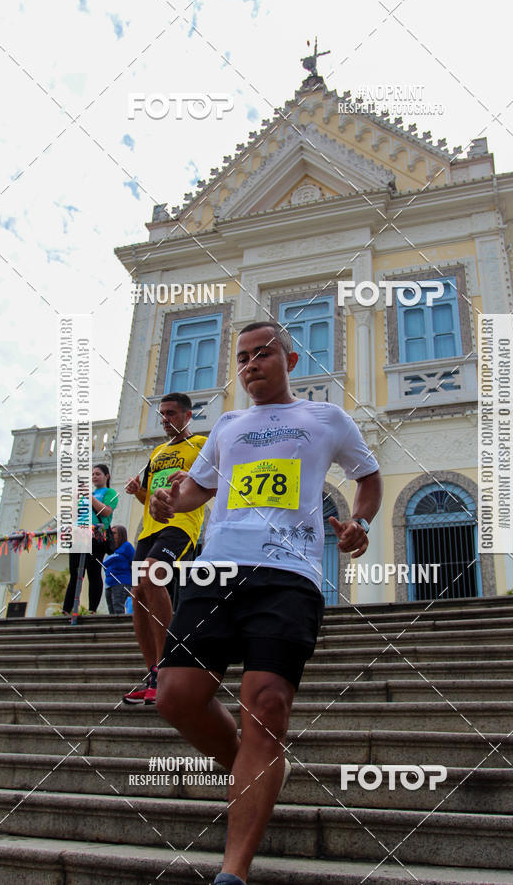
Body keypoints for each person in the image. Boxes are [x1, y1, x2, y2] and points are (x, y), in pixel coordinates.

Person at [150, 322, 383, 885]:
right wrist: (164, 501)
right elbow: (193, 491)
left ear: (289, 358)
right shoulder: (227, 425)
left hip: (289, 575)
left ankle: (233, 872)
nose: (251, 364)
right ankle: (254, 773)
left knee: (268, 705)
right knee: (176, 697)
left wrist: (360, 522)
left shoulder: (327, 419)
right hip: (215, 571)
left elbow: (368, 478)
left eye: (263, 354)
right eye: (243, 358)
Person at [123, 392, 207, 705]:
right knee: (138, 592)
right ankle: (154, 672)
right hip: (150, 529)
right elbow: (150, 497)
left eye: (171, 413)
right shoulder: (157, 451)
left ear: (187, 416)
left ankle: (171, 665)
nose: (165, 419)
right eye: (162, 414)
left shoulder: (199, 445)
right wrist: (138, 492)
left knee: (151, 577)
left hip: (181, 525)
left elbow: (212, 482)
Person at [62, 464, 118, 615]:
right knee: (75, 572)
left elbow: (105, 512)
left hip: (96, 535)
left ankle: (92, 609)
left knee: (93, 572)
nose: (94, 477)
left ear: (107, 476)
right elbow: (77, 514)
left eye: (98, 474)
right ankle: (67, 609)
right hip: (79, 534)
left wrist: (90, 497)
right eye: (92, 474)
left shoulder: (110, 492)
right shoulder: (87, 494)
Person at [103, 525, 134, 614]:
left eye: (114, 533)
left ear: (121, 535)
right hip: (109, 584)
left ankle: (121, 627)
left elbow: (135, 562)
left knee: (118, 608)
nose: (112, 536)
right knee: (111, 611)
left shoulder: (126, 546)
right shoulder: (111, 551)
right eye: (111, 533)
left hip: (121, 582)